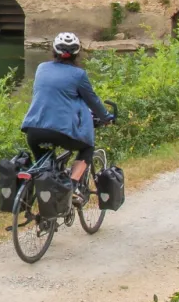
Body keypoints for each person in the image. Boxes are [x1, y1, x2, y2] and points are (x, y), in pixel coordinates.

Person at [21, 32, 113, 196]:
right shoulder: (78, 75)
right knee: (87, 148)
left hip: (33, 130)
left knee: (46, 169)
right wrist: (106, 117)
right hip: (61, 131)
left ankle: (47, 214)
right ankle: (72, 186)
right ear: (77, 54)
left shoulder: (41, 68)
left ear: (54, 51)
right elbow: (92, 100)